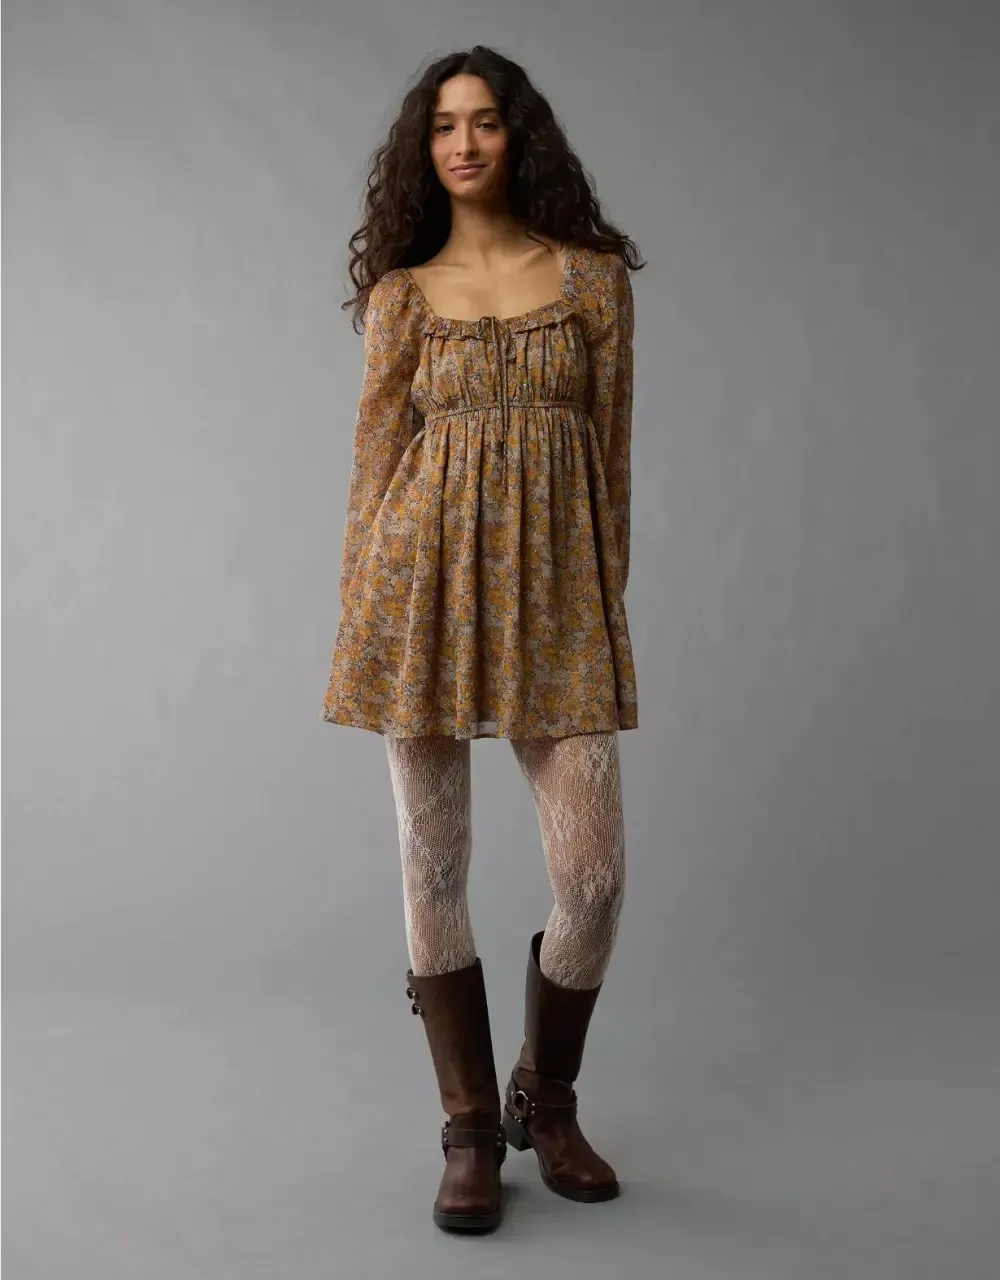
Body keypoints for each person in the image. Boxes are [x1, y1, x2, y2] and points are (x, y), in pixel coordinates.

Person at [321, 45, 643, 1233]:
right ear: (426, 147)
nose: (462, 143)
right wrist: (359, 618)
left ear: (520, 136)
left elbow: (611, 458)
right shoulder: (402, 297)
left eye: (485, 122)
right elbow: (373, 466)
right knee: (433, 865)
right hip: (419, 595)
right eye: (443, 125)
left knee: (593, 878)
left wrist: (604, 603)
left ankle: (543, 1097)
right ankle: (466, 1126)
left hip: (557, 602)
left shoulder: (592, 282)